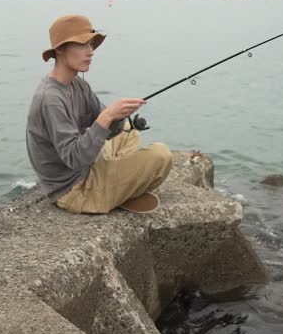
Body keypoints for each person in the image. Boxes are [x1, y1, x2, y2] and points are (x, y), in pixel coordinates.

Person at [25, 14, 173, 214]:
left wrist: (118, 116)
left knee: (129, 131)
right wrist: (106, 117)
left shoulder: (78, 84)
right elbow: (74, 158)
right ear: (59, 50)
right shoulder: (50, 98)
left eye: (91, 44)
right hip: (73, 189)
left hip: (87, 167)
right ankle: (115, 190)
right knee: (161, 155)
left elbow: (109, 127)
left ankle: (118, 186)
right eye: (82, 45)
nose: (90, 52)